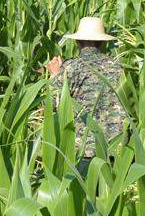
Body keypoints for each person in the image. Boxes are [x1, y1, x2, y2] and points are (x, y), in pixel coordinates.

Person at [45, 16, 127, 158]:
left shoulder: (71, 68)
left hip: (82, 151)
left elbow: (53, 104)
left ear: (77, 41)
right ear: (102, 42)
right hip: (114, 151)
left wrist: (54, 75)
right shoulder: (118, 69)